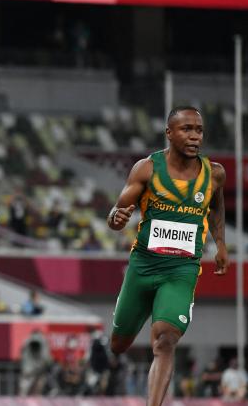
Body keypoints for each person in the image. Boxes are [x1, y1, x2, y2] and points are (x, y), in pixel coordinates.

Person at [106, 106, 228, 406]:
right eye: (186, 129)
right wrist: (115, 219)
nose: (194, 136)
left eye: (199, 130)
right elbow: (118, 209)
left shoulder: (214, 173)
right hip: (144, 266)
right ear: (169, 133)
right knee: (118, 345)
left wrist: (221, 245)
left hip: (181, 269)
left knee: (165, 340)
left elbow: (215, 207)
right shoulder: (146, 169)